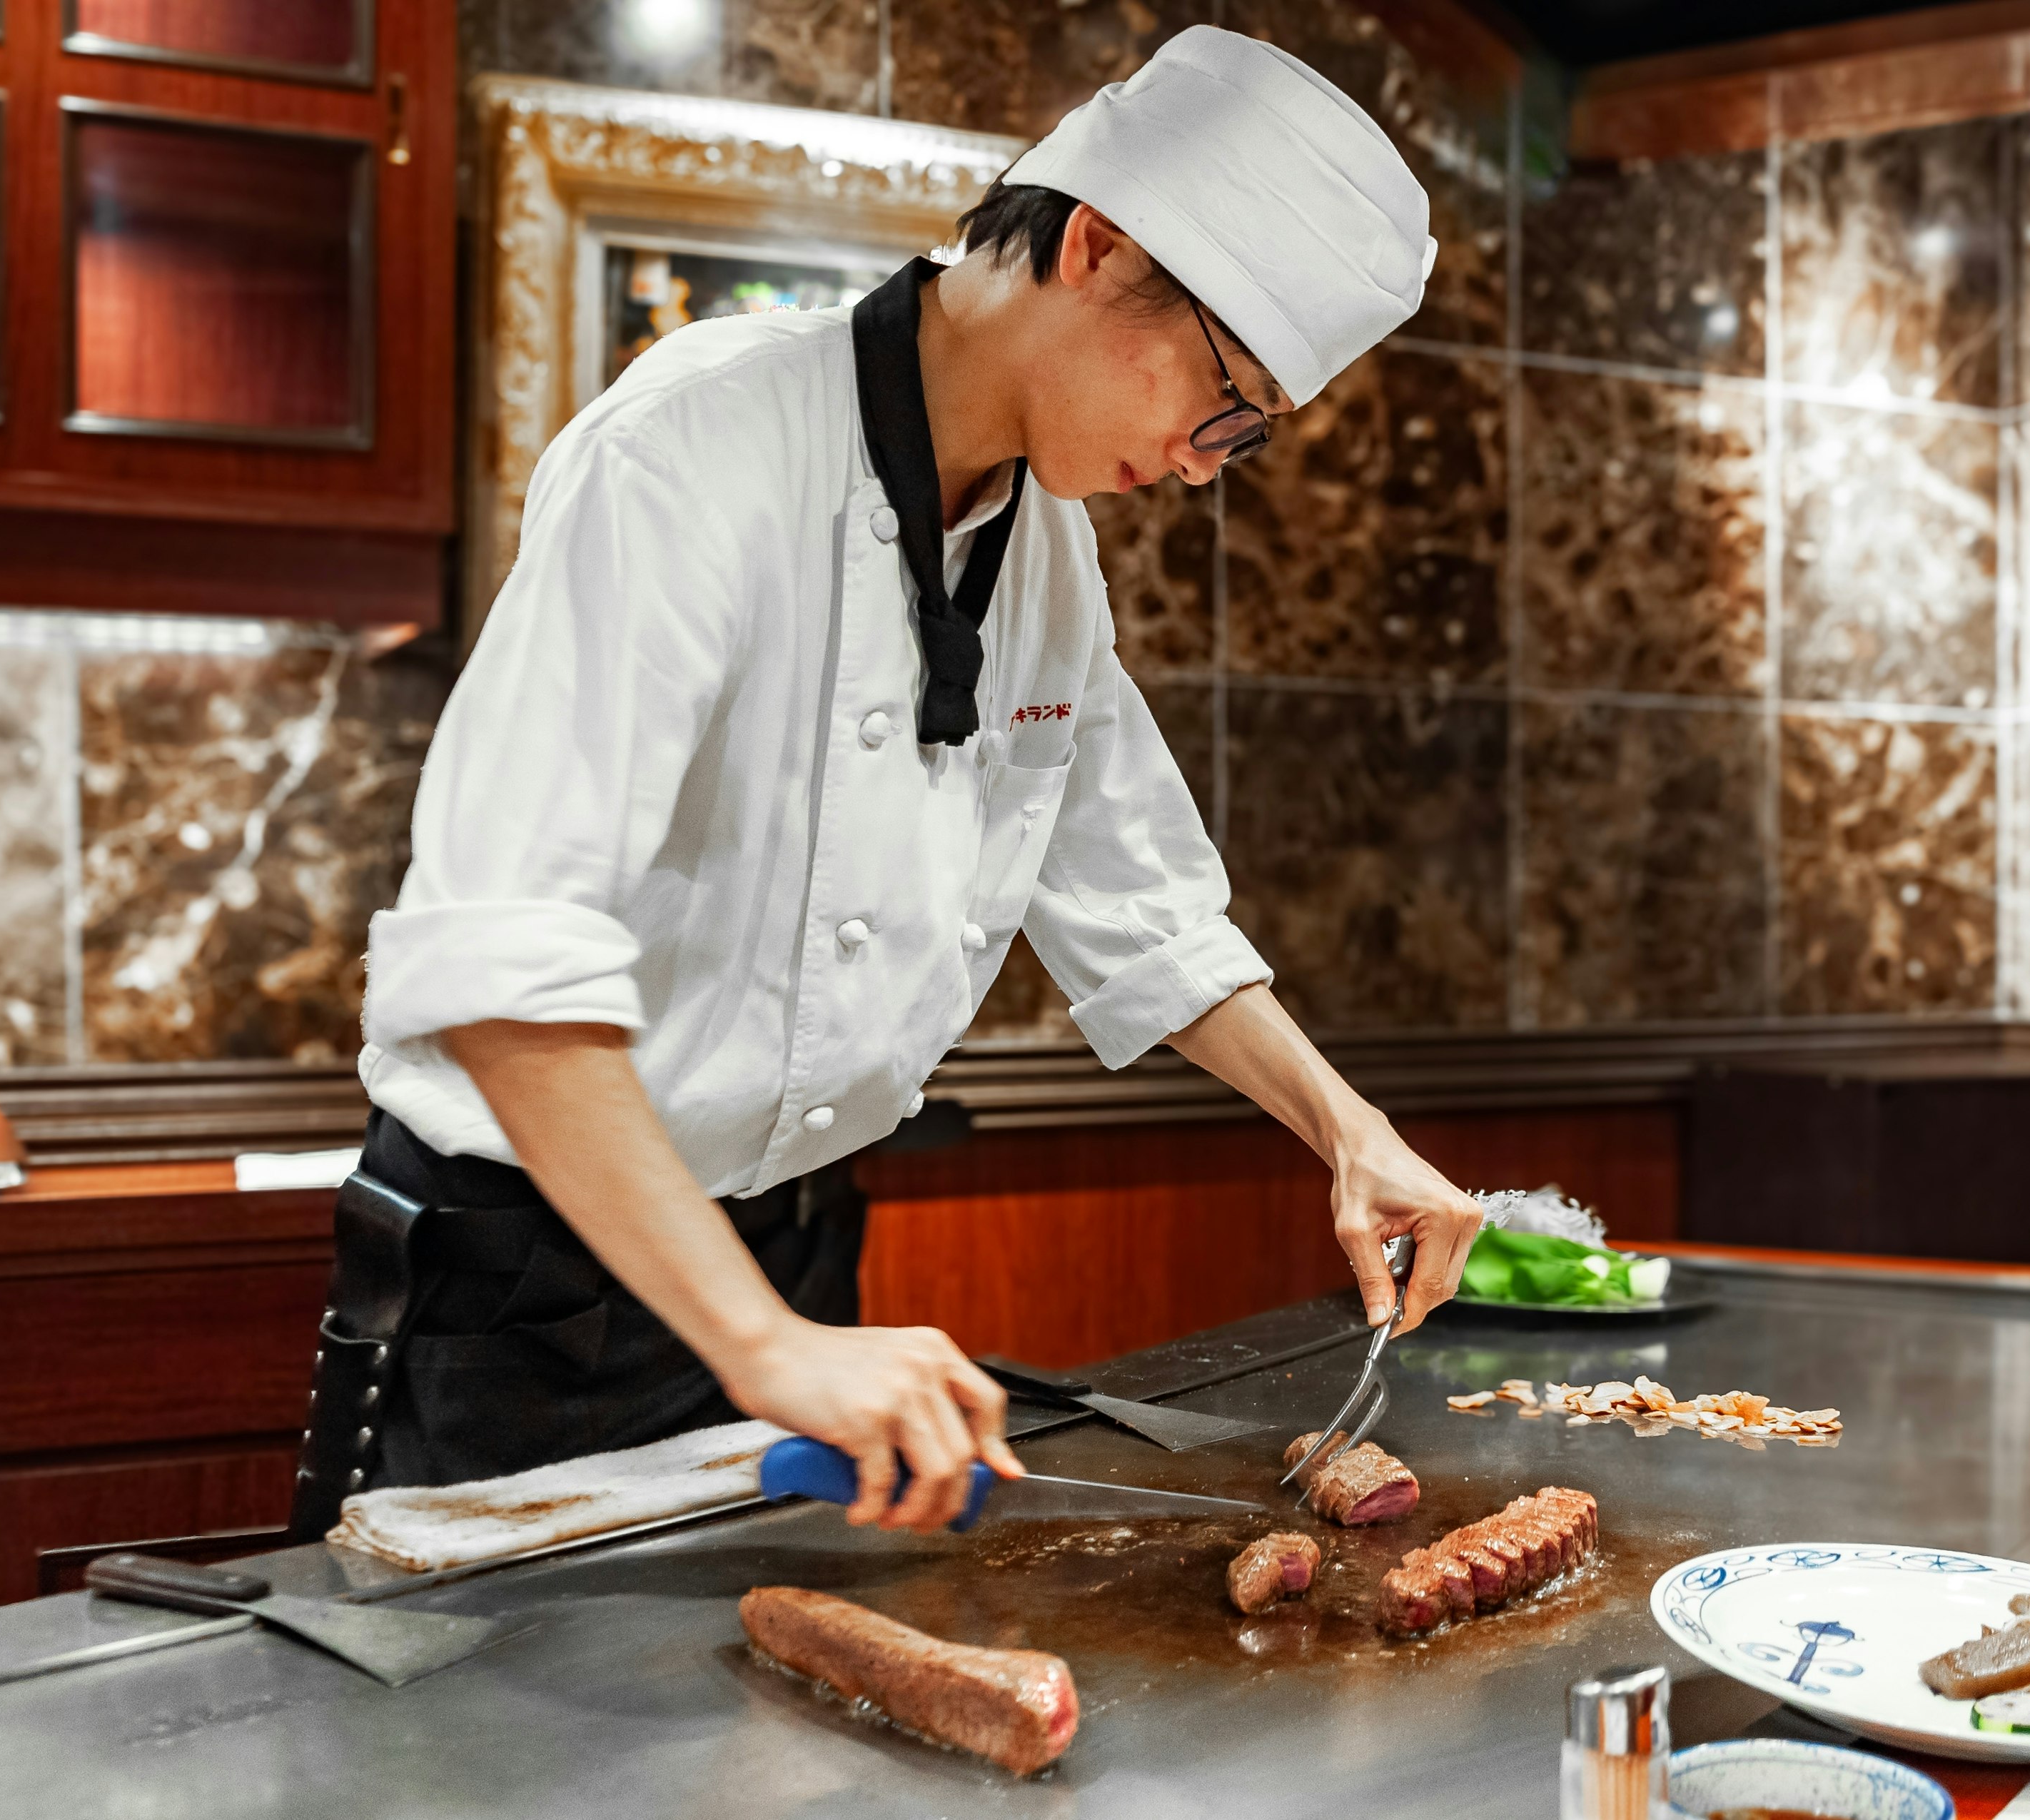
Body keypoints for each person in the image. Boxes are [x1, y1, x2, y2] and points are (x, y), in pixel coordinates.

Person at [286, 25, 1488, 1545]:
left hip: (797, 1262)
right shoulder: (692, 453)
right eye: (1225, 396)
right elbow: (503, 966)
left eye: (1242, 436)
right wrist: (763, 1347)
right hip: (531, 1288)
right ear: (1097, 246)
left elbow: (1141, 911)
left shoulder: (1042, 552)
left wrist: (1349, 1129)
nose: (1201, 463)